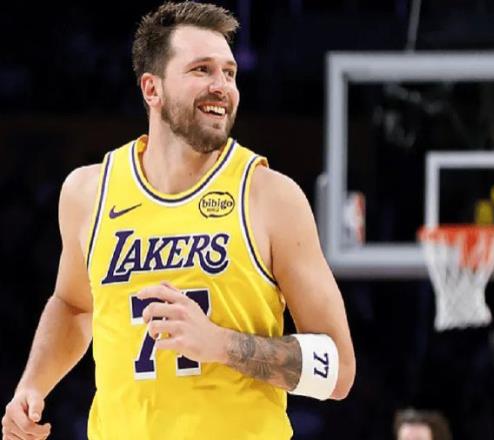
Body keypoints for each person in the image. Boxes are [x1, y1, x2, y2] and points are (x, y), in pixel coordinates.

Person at [1, 2, 355, 439]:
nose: (222, 86)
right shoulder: (88, 192)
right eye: (202, 70)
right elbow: (74, 307)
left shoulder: (270, 196)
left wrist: (221, 344)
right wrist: (32, 385)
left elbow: (338, 370)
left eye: (229, 73)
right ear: (152, 89)